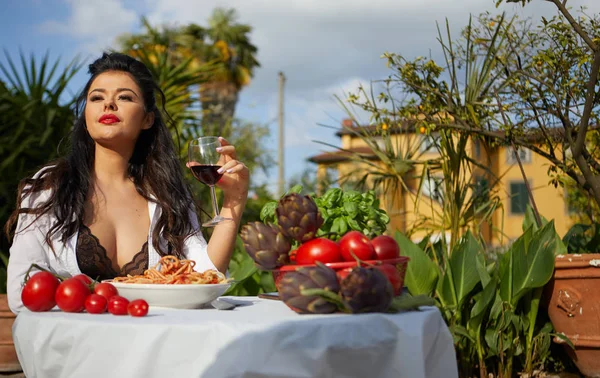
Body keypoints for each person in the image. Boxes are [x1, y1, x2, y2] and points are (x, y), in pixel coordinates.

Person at [4, 52, 249, 313]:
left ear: (147, 119)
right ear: (85, 117)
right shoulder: (50, 187)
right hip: (73, 345)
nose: (108, 104)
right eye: (96, 97)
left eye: (124, 97)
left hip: (151, 343)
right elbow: (21, 292)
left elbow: (207, 277)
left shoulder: (167, 194)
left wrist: (234, 200)